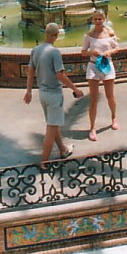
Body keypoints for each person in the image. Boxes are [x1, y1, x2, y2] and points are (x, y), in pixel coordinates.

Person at [24, 23, 84, 163]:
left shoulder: (36, 50)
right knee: (50, 129)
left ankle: (63, 150)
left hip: (42, 94)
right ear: (57, 35)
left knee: (53, 124)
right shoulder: (54, 52)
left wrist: (28, 92)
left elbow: (30, 72)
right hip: (54, 95)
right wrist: (75, 89)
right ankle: (44, 162)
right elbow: (60, 75)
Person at [82, 10, 119, 141]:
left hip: (107, 66)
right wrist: (91, 51)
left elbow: (117, 47)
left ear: (104, 19)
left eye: (100, 19)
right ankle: (92, 128)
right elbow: (83, 52)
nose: (97, 21)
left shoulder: (109, 33)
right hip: (93, 66)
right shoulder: (88, 35)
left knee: (110, 96)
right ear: (92, 20)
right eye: (95, 19)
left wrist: (109, 51)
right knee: (93, 99)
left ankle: (114, 117)